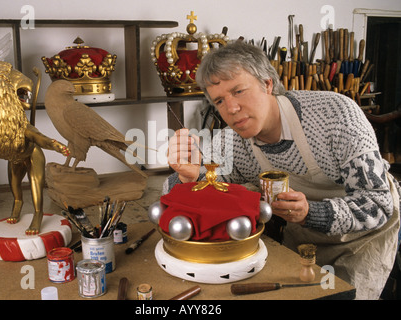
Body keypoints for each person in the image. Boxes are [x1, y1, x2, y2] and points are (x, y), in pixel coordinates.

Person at [163, 40, 400, 300]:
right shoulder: (231, 142)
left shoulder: (335, 115)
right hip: (302, 235)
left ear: (267, 84)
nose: (231, 109)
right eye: (219, 100)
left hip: (362, 238)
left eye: (239, 91)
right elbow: (181, 196)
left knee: (339, 295)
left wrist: (312, 212)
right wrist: (187, 177)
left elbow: (377, 203)